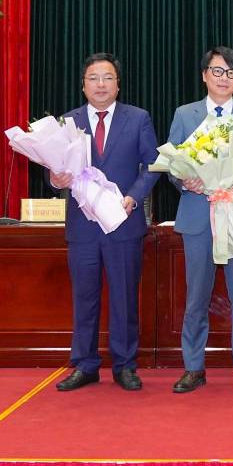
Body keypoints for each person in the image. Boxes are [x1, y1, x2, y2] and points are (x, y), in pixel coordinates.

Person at [50, 53, 160, 391]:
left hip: (123, 223)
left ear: (118, 84)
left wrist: (133, 196)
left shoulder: (138, 118)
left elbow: (152, 165)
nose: (101, 84)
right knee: (85, 297)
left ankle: (125, 365)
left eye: (107, 78)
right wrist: (55, 179)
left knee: (125, 296)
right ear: (83, 85)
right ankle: (85, 364)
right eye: (94, 78)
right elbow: (53, 170)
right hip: (83, 227)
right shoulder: (68, 123)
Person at [168, 46, 233, 394]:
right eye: (217, 71)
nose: (223, 79)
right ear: (204, 75)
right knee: (196, 295)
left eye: (231, 73)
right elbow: (172, 164)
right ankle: (193, 367)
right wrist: (184, 180)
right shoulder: (185, 114)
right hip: (198, 216)